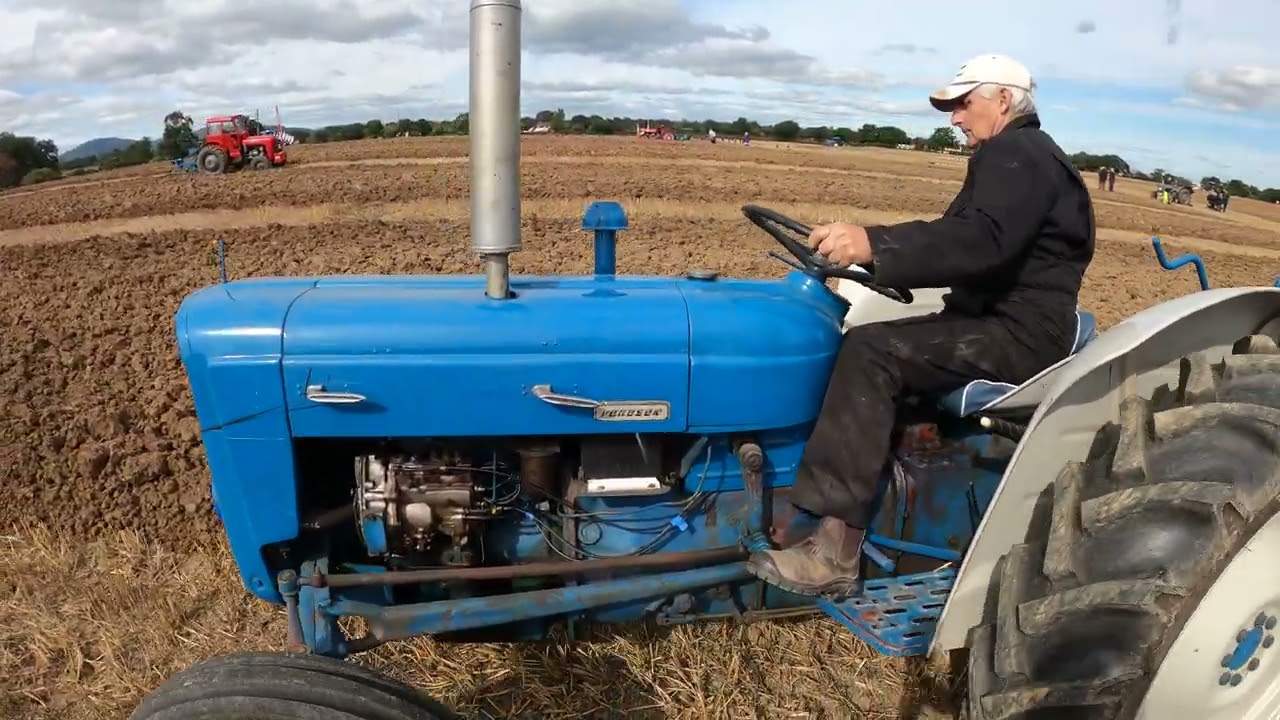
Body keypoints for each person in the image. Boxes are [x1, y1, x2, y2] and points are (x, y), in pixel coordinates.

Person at [745, 53, 1096, 597]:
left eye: (963, 103)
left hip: (1017, 330)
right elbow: (963, 238)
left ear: (1003, 100)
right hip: (992, 317)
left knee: (871, 352)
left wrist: (875, 242)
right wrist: (873, 252)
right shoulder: (1017, 155)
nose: (954, 117)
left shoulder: (1019, 153)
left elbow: (980, 241)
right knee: (871, 339)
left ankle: (835, 554)